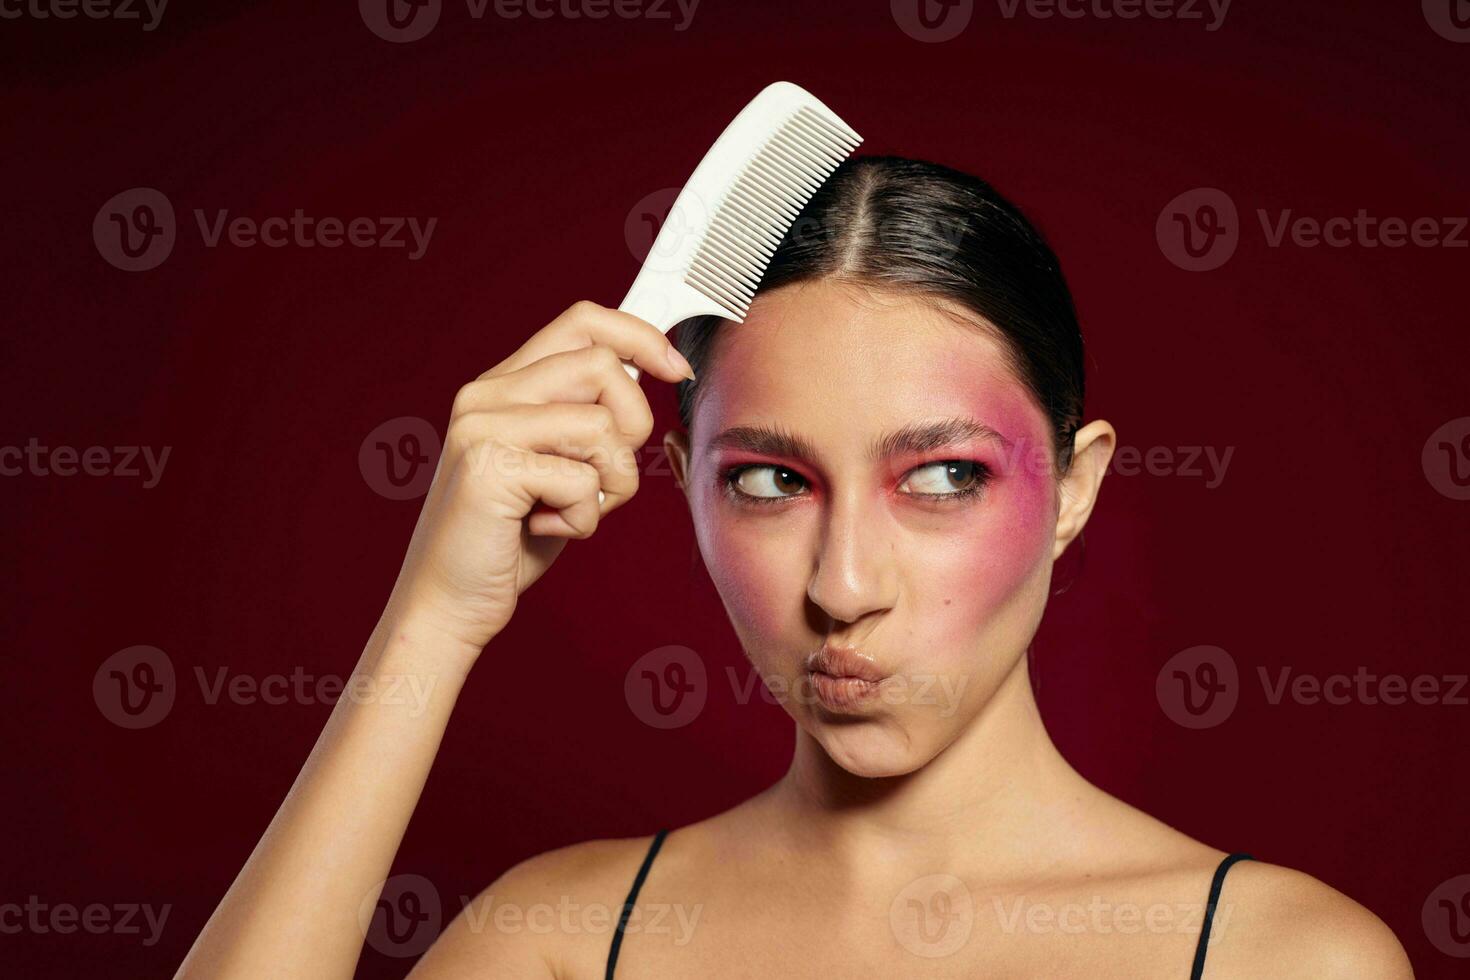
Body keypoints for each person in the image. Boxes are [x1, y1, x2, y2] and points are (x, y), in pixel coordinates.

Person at [176, 157, 1413, 978]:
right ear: (687, 483)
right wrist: (435, 617)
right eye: (770, 480)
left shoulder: (1273, 956)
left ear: (1073, 489)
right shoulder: (560, 939)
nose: (844, 584)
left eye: (942, 476)